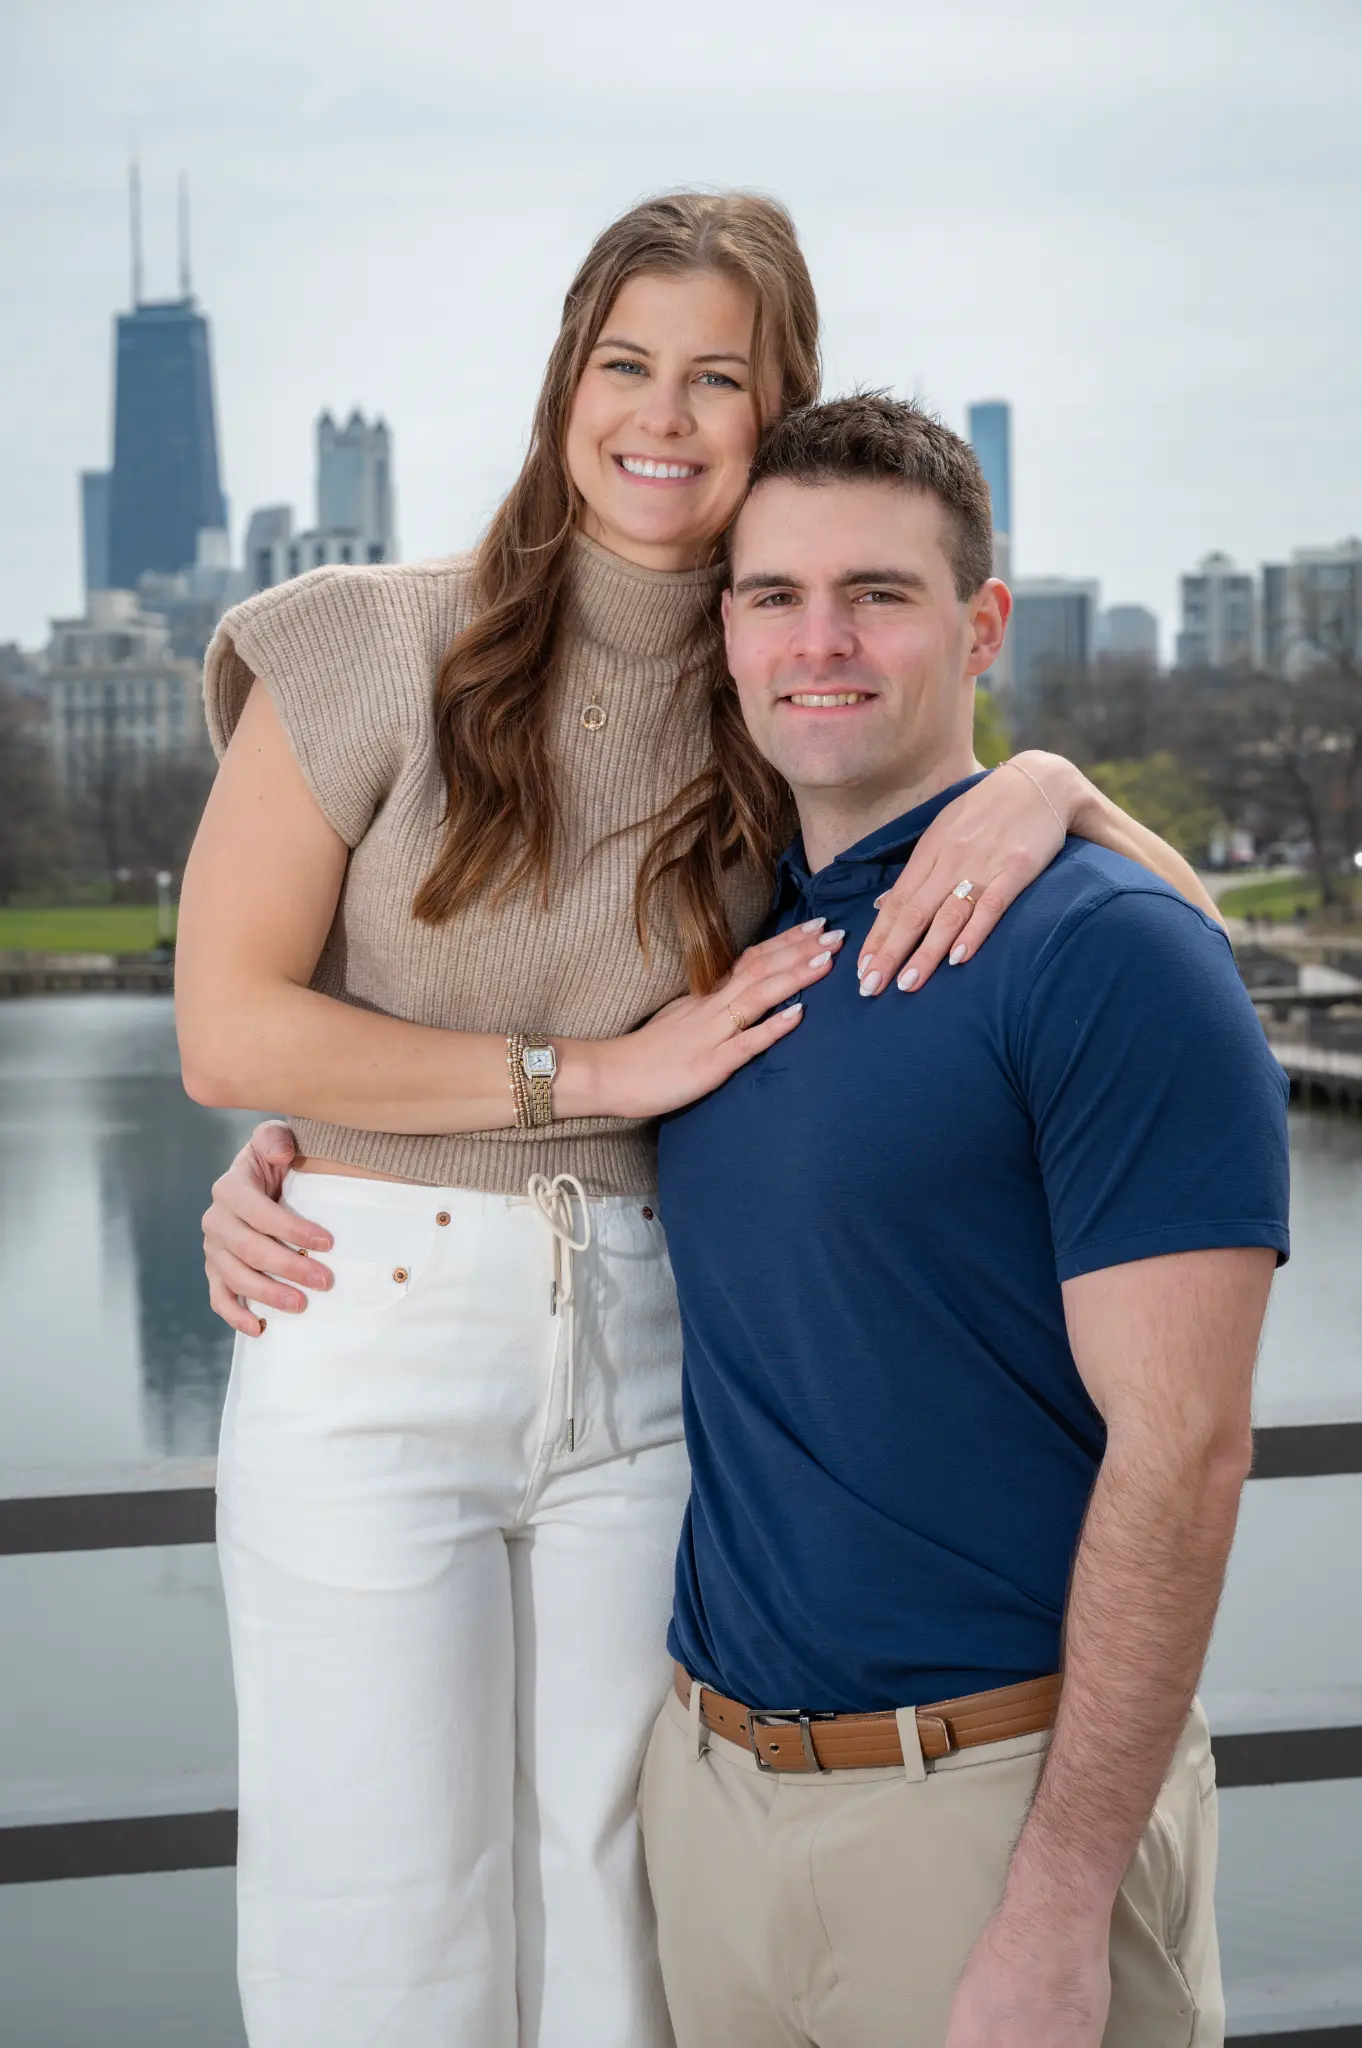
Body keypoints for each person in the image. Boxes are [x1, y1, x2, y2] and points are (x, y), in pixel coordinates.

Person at [179, 191, 1227, 2048]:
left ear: (776, 408)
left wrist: (1049, 785)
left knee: (623, 1925)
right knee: (381, 1929)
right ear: (564, 382)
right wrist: (569, 1083)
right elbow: (225, 1028)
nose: (661, 415)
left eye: (718, 378)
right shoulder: (361, 640)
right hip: (376, 1310)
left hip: (657, 1344)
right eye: (624, 363)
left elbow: (1174, 950)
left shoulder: (773, 688)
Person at [639, 394, 1290, 2048]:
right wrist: (284, 1163)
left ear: (981, 625)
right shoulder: (723, 941)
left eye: (878, 594)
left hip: (989, 1813)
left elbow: (1186, 1452)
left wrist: (1057, 1907)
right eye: (774, 596)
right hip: (709, 1806)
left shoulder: (1101, 945)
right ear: (725, 633)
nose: (819, 641)